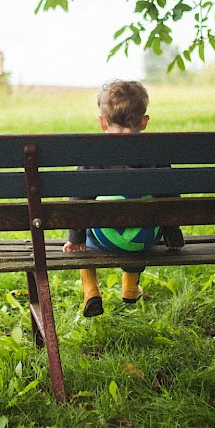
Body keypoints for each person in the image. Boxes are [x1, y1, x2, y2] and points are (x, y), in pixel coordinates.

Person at [62, 80, 183, 317]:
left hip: (104, 238)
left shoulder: (93, 154)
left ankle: (91, 290)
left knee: (87, 231)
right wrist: (172, 232)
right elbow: (169, 196)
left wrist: (75, 237)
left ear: (102, 123)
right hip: (145, 239)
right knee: (143, 219)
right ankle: (129, 286)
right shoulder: (158, 153)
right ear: (144, 122)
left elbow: (79, 197)